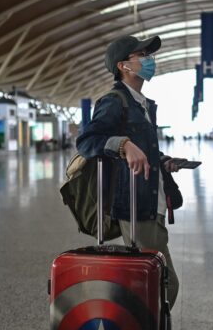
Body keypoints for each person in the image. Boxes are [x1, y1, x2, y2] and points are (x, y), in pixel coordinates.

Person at [76, 34, 183, 310]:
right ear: (124, 66)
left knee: (159, 281)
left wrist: (164, 161)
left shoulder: (143, 104)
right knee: (166, 283)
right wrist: (123, 144)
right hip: (134, 205)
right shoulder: (114, 101)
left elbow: (143, 148)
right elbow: (87, 142)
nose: (149, 60)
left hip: (152, 202)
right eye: (142, 55)